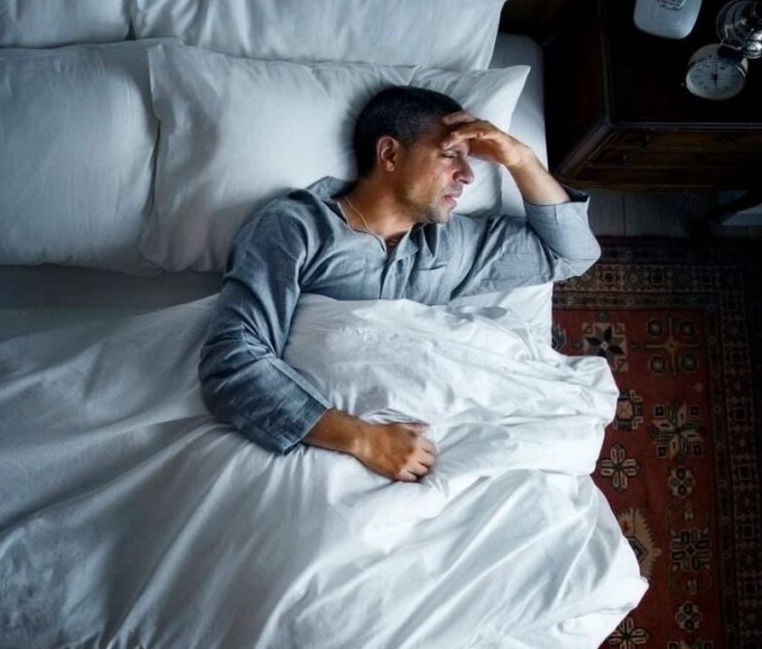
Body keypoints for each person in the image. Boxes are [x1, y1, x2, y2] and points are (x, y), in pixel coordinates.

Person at [198, 85, 601, 484]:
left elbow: (570, 253)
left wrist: (521, 159)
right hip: (332, 448)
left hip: (435, 451)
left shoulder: (449, 245)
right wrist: (362, 439)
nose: (467, 175)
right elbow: (233, 360)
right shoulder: (297, 227)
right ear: (390, 154)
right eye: (450, 156)